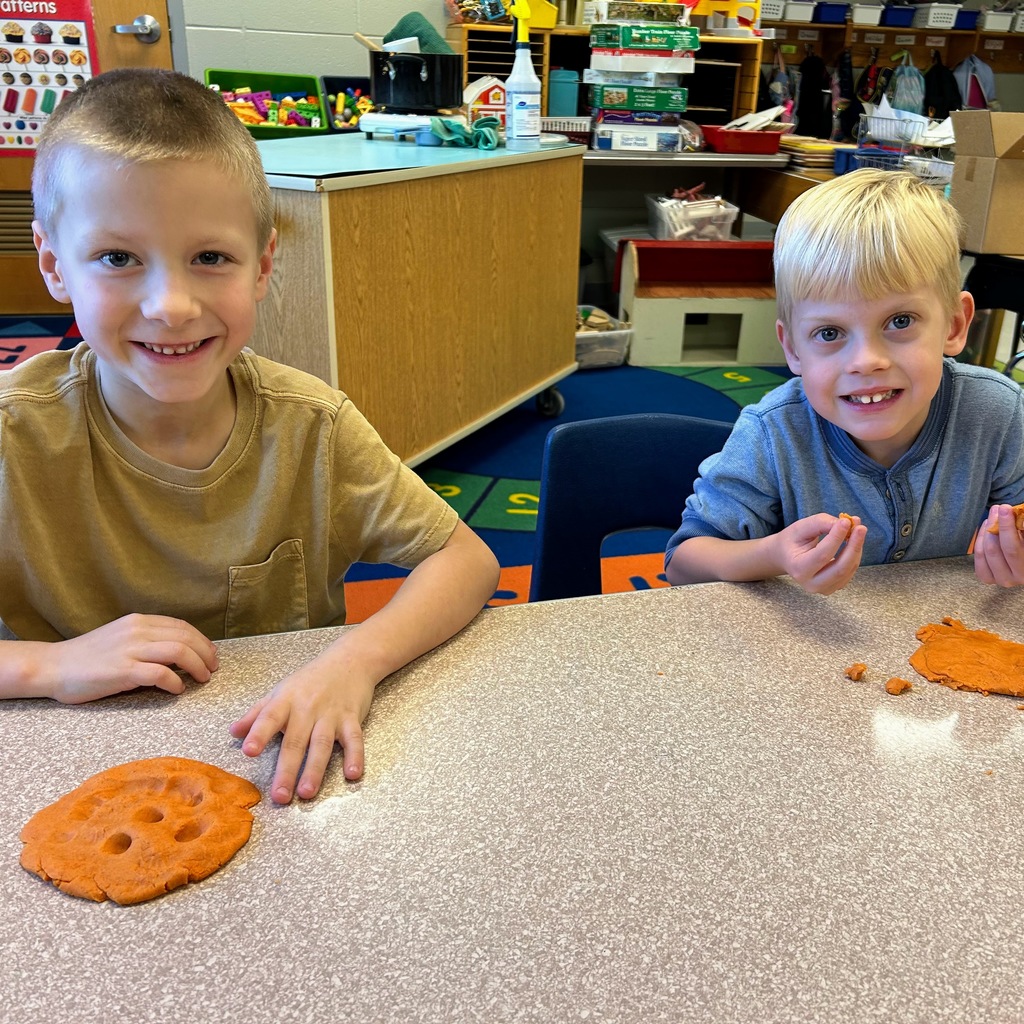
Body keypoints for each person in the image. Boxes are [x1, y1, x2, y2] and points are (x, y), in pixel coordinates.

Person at [0, 68, 500, 803]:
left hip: (280, 764)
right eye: (117, 258)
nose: (171, 306)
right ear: (54, 264)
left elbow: (466, 561)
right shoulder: (14, 437)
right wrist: (49, 667)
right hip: (67, 768)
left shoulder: (313, 425)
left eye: (210, 258)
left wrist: (353, 661)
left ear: (262, 266)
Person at [665, 168, 1024, 594]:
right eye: (830, 333)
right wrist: (774, 555)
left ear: (954, 324)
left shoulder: (998, 412)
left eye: (900, 321)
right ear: (794, 349)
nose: (866, 361)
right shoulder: (773, 433)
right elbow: (683, 562)